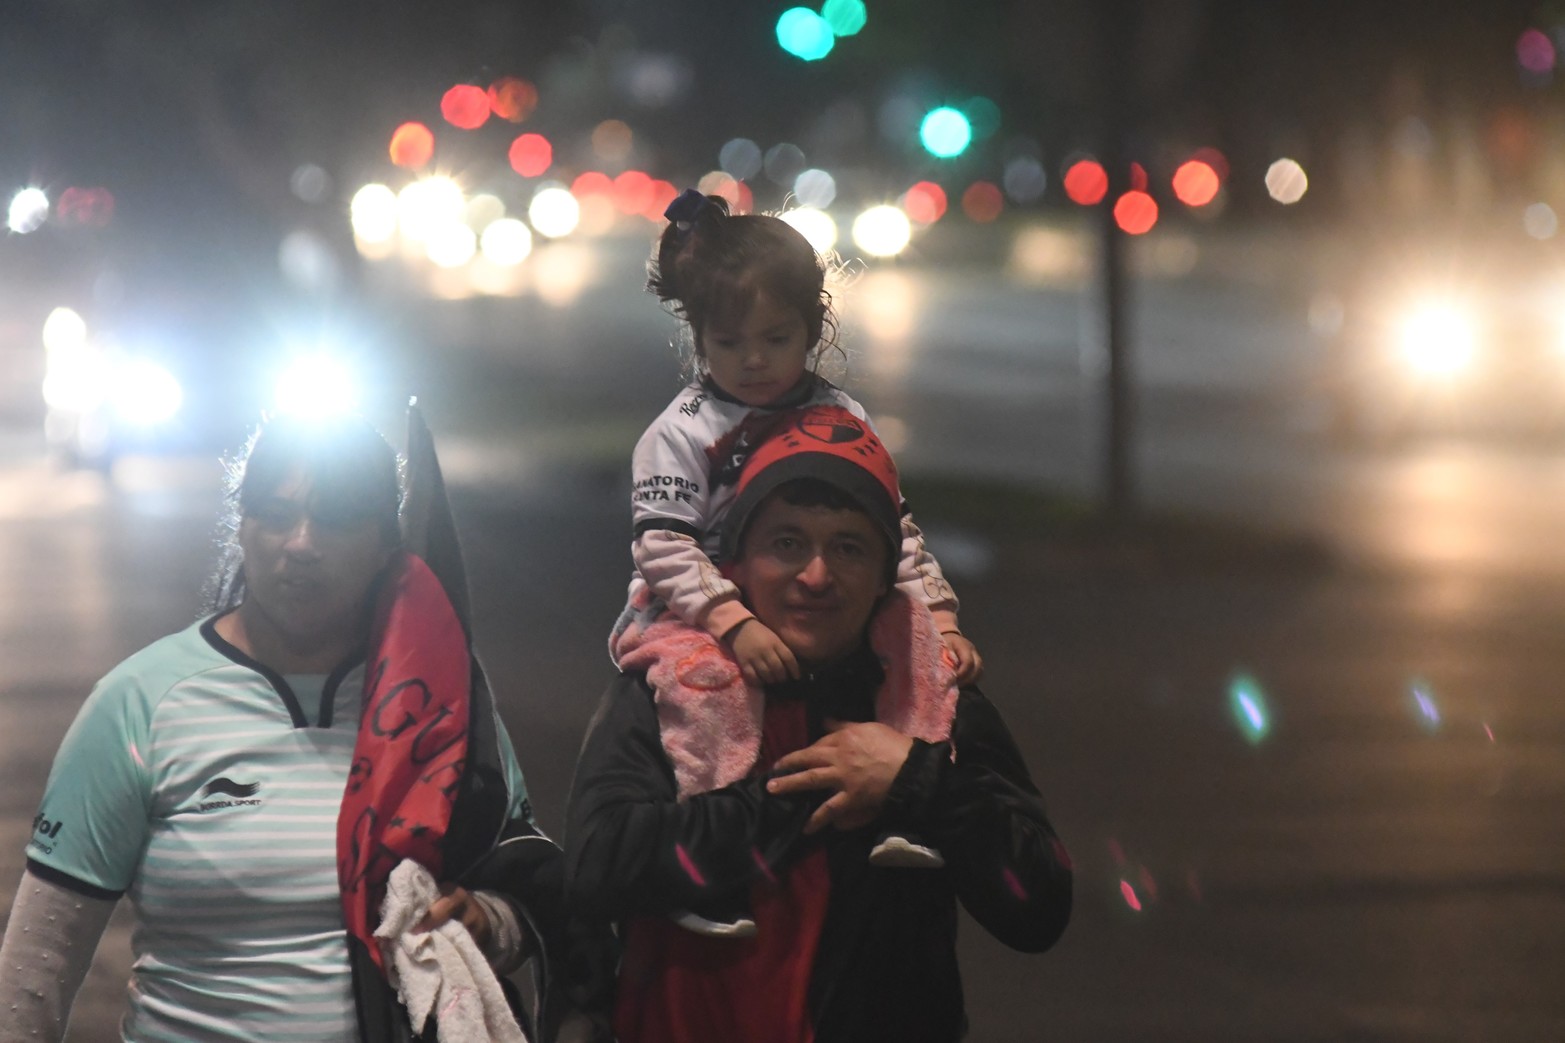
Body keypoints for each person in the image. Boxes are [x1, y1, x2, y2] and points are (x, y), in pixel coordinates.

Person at [0, 411, 566, 1042]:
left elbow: (529, 895)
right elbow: (35, 972)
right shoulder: (141, 703)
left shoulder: (442, 702)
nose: (301, 542)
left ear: (386, 543)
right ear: (242, 526)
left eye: (334, 518)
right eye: (276, 513)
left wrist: (489, 921)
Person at [568, 405, 1072, 1042]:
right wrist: (800, 792)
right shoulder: (676, 687)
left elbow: (1038, 905)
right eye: (787, 543)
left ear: (888, 573)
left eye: (848, 548)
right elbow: (598, 869)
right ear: (738, 564)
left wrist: (917, 781)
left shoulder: (934, 700)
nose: (816, 575)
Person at [612, 189, 981, 933]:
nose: (752, 360)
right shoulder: (678, 433)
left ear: (813, 328)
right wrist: (733, 622)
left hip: (818, 603)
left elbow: (891, 529)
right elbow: (661, 546)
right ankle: (707, 872)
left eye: (775, 338)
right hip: (693, 613)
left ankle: (902, 814)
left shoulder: (843, 420)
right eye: (728, 342)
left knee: (915, 649)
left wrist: (937, 614)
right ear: (697, 335)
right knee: (706, 685)